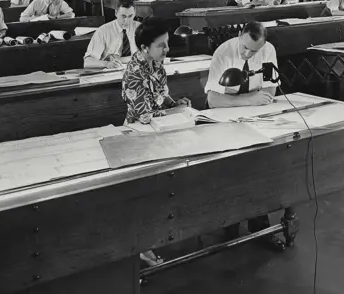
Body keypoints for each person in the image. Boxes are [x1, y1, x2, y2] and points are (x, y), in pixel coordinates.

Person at [205, 21, 283, 249]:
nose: (248, 53)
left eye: (254, 50)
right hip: (224, 117)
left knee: (260, 167)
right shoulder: (224, 52)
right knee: (231, 170)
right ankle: (229, 225)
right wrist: (249, 99)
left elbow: (270, 90)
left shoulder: (268, 51)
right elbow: (213, 100)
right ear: (239, 35)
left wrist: (258, 100)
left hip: (255, 116)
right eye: (245, 48)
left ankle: (261, 227)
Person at [121, 18, 191, 267]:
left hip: (161, 133)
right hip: (140, 139)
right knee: (146, 195)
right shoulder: (134, 73)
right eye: (161, 45)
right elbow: (145, 114)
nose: (166, 50)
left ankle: (154, 238)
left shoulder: (157, 65)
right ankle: (142, 247)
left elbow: (161, 98)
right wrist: (176, 112)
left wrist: (177, 104)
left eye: (167, 44)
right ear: (143, 48)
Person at [84, 1, 140, 69]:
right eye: (123, 16)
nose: (126, 21)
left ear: (135, 14)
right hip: (111, 72)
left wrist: (120, 59)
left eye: (130, 16)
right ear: (116, 13)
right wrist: (107, 64)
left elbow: (148, 55)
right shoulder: (103, 31)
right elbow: (88, 62)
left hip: (135, 70)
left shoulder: (140, 28)